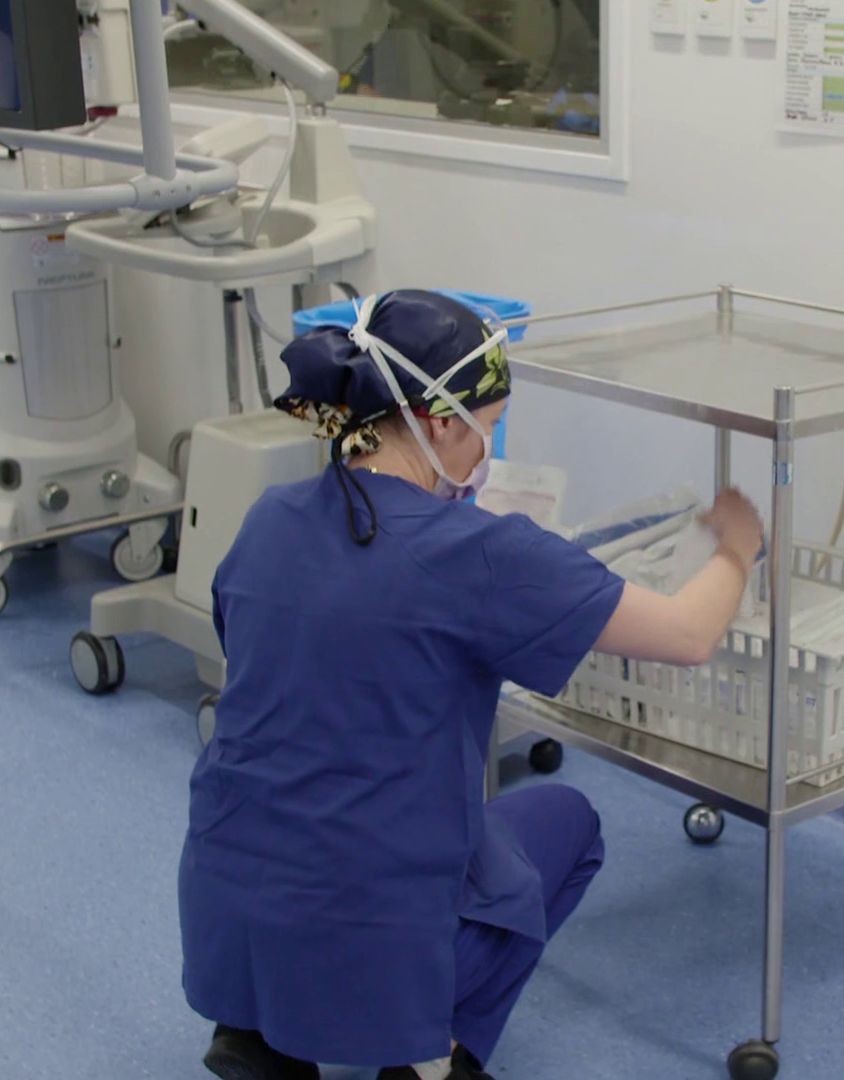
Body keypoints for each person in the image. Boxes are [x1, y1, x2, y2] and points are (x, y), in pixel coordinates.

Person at [178, 291, 765, 1080]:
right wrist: (738, 545)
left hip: (224, 911)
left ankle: (256, 1032)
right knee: (566, 824)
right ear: (442, 422)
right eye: (489, 426)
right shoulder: (478, 554)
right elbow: (689, 635)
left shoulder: (271, 517)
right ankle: (431, 1059)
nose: (488, 450)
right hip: (368, 935)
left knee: (341, 814)